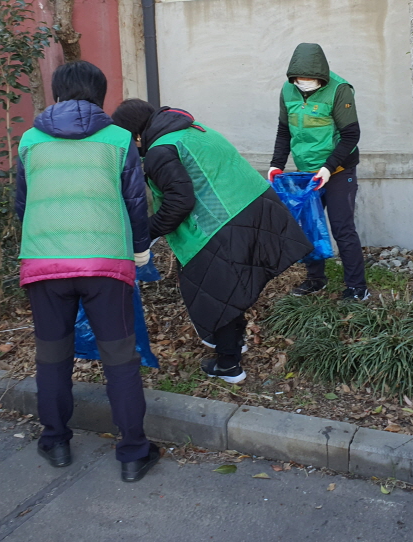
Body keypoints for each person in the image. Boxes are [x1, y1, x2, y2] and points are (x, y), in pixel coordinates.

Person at [15, 61, 159, 481]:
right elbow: (136, 202)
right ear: (101, 94)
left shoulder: (29, 141)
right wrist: (140, 252)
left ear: (57, 93)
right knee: (120, 358)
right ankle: (133, 453)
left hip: (43, 261)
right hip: (105, 262)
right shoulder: (118, 139)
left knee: (52, 356)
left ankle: (56, 441)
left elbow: (22, 205)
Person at [112, 99, 312, 384]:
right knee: (233, 285)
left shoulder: (160, 151)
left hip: (222, 223)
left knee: (215, 294)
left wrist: (146, 233)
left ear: (136, 136)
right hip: (257, 208)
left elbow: (179, 202)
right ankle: (234, 343)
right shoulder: (194, 129)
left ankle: (229, 365)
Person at [268, 43, 368, 300]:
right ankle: (315, 279)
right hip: (306, 172)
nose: (305, 82)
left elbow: (350, 135)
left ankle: (357, 287)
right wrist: (276, 164)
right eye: (300, 78)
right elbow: (284, 130)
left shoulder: (339, 90)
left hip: (338, 170)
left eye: (310, 78)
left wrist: (328, 167)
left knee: (341, 227)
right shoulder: (288, 90)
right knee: (307, 227)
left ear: (321, 75)